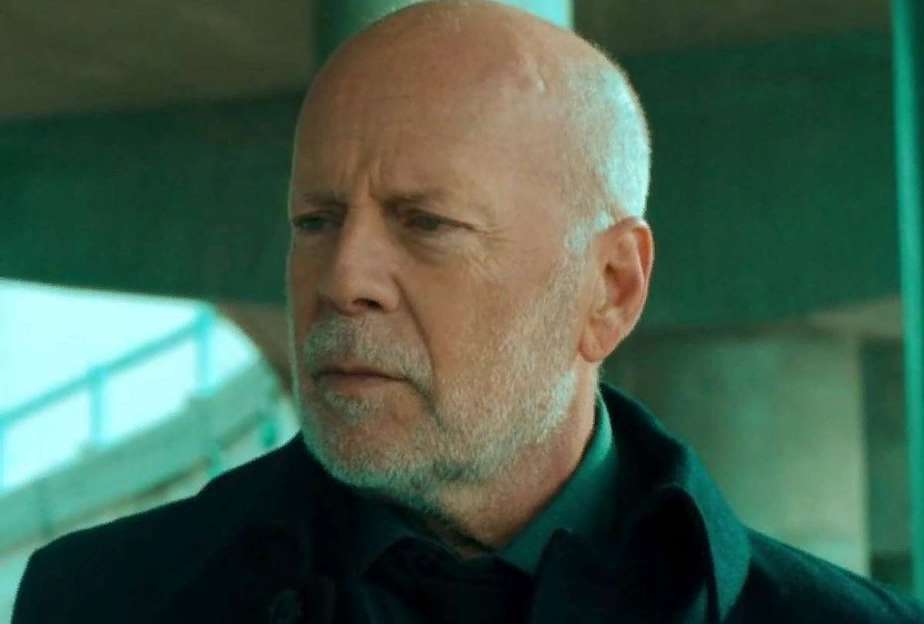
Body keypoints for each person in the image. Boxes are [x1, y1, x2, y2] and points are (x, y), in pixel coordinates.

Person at [11, 1, 924, 622]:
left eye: (425, 224)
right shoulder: (100, 598)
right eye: (315, 220)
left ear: (610, 289)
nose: (343, 278)